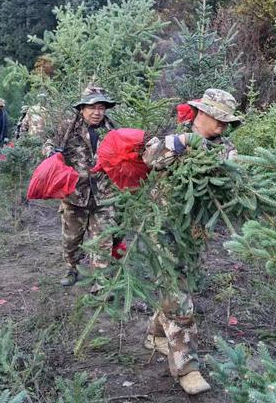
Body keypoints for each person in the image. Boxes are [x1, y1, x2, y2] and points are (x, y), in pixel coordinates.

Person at [141, 88, 242, 395]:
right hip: (163, 229)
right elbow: (150, 157)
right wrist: (186, 143)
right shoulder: (175, 139)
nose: (224, 126)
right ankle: (187, 367)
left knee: (179, 289)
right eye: (219, 119)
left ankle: (155, 334)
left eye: (228, 121)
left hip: (195, 233)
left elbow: (232, 180)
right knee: (179, 293)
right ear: (202, 113)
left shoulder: (226, 150)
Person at [43, 87, 117, 286]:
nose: (97, 112)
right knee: (71, 239)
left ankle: (101, 281)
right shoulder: (68, 128)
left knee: (103, 239)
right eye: (92, 107)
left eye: (101, 107)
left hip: (104, 194)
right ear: (82, 109)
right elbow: (49, 143)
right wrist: (51, 152)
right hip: (75, 195)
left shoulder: (112, 130)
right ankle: (72, 268)